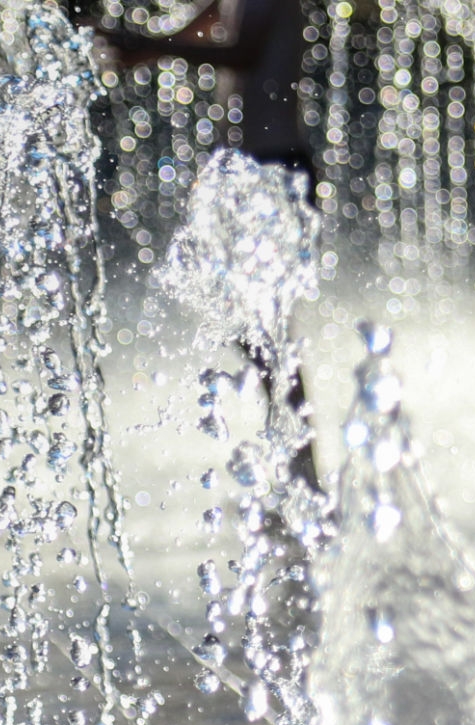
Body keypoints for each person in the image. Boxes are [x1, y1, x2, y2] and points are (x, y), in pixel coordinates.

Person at [94, 0, 321, 493]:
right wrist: (142, 49)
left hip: (277, 169)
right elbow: (204, 30)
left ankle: (305, 473)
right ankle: (296, 461)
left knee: (269, 326)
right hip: (247, 169)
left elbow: (242, 53)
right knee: (252, 327)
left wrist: (154, 46)